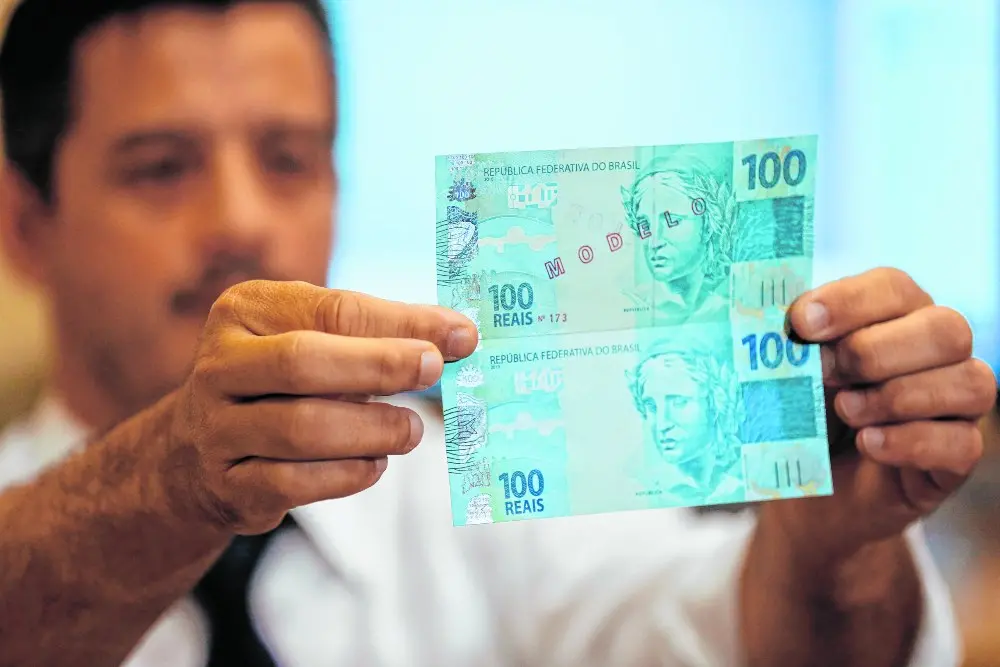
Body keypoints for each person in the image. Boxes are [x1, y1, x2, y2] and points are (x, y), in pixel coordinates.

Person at [0, 1, 996, 666]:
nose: (243, 221)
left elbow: (733, 633)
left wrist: (835, 550)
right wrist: (169, 487)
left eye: (289, 158)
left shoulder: (486, 484)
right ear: (25, 224)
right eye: (161, 167)